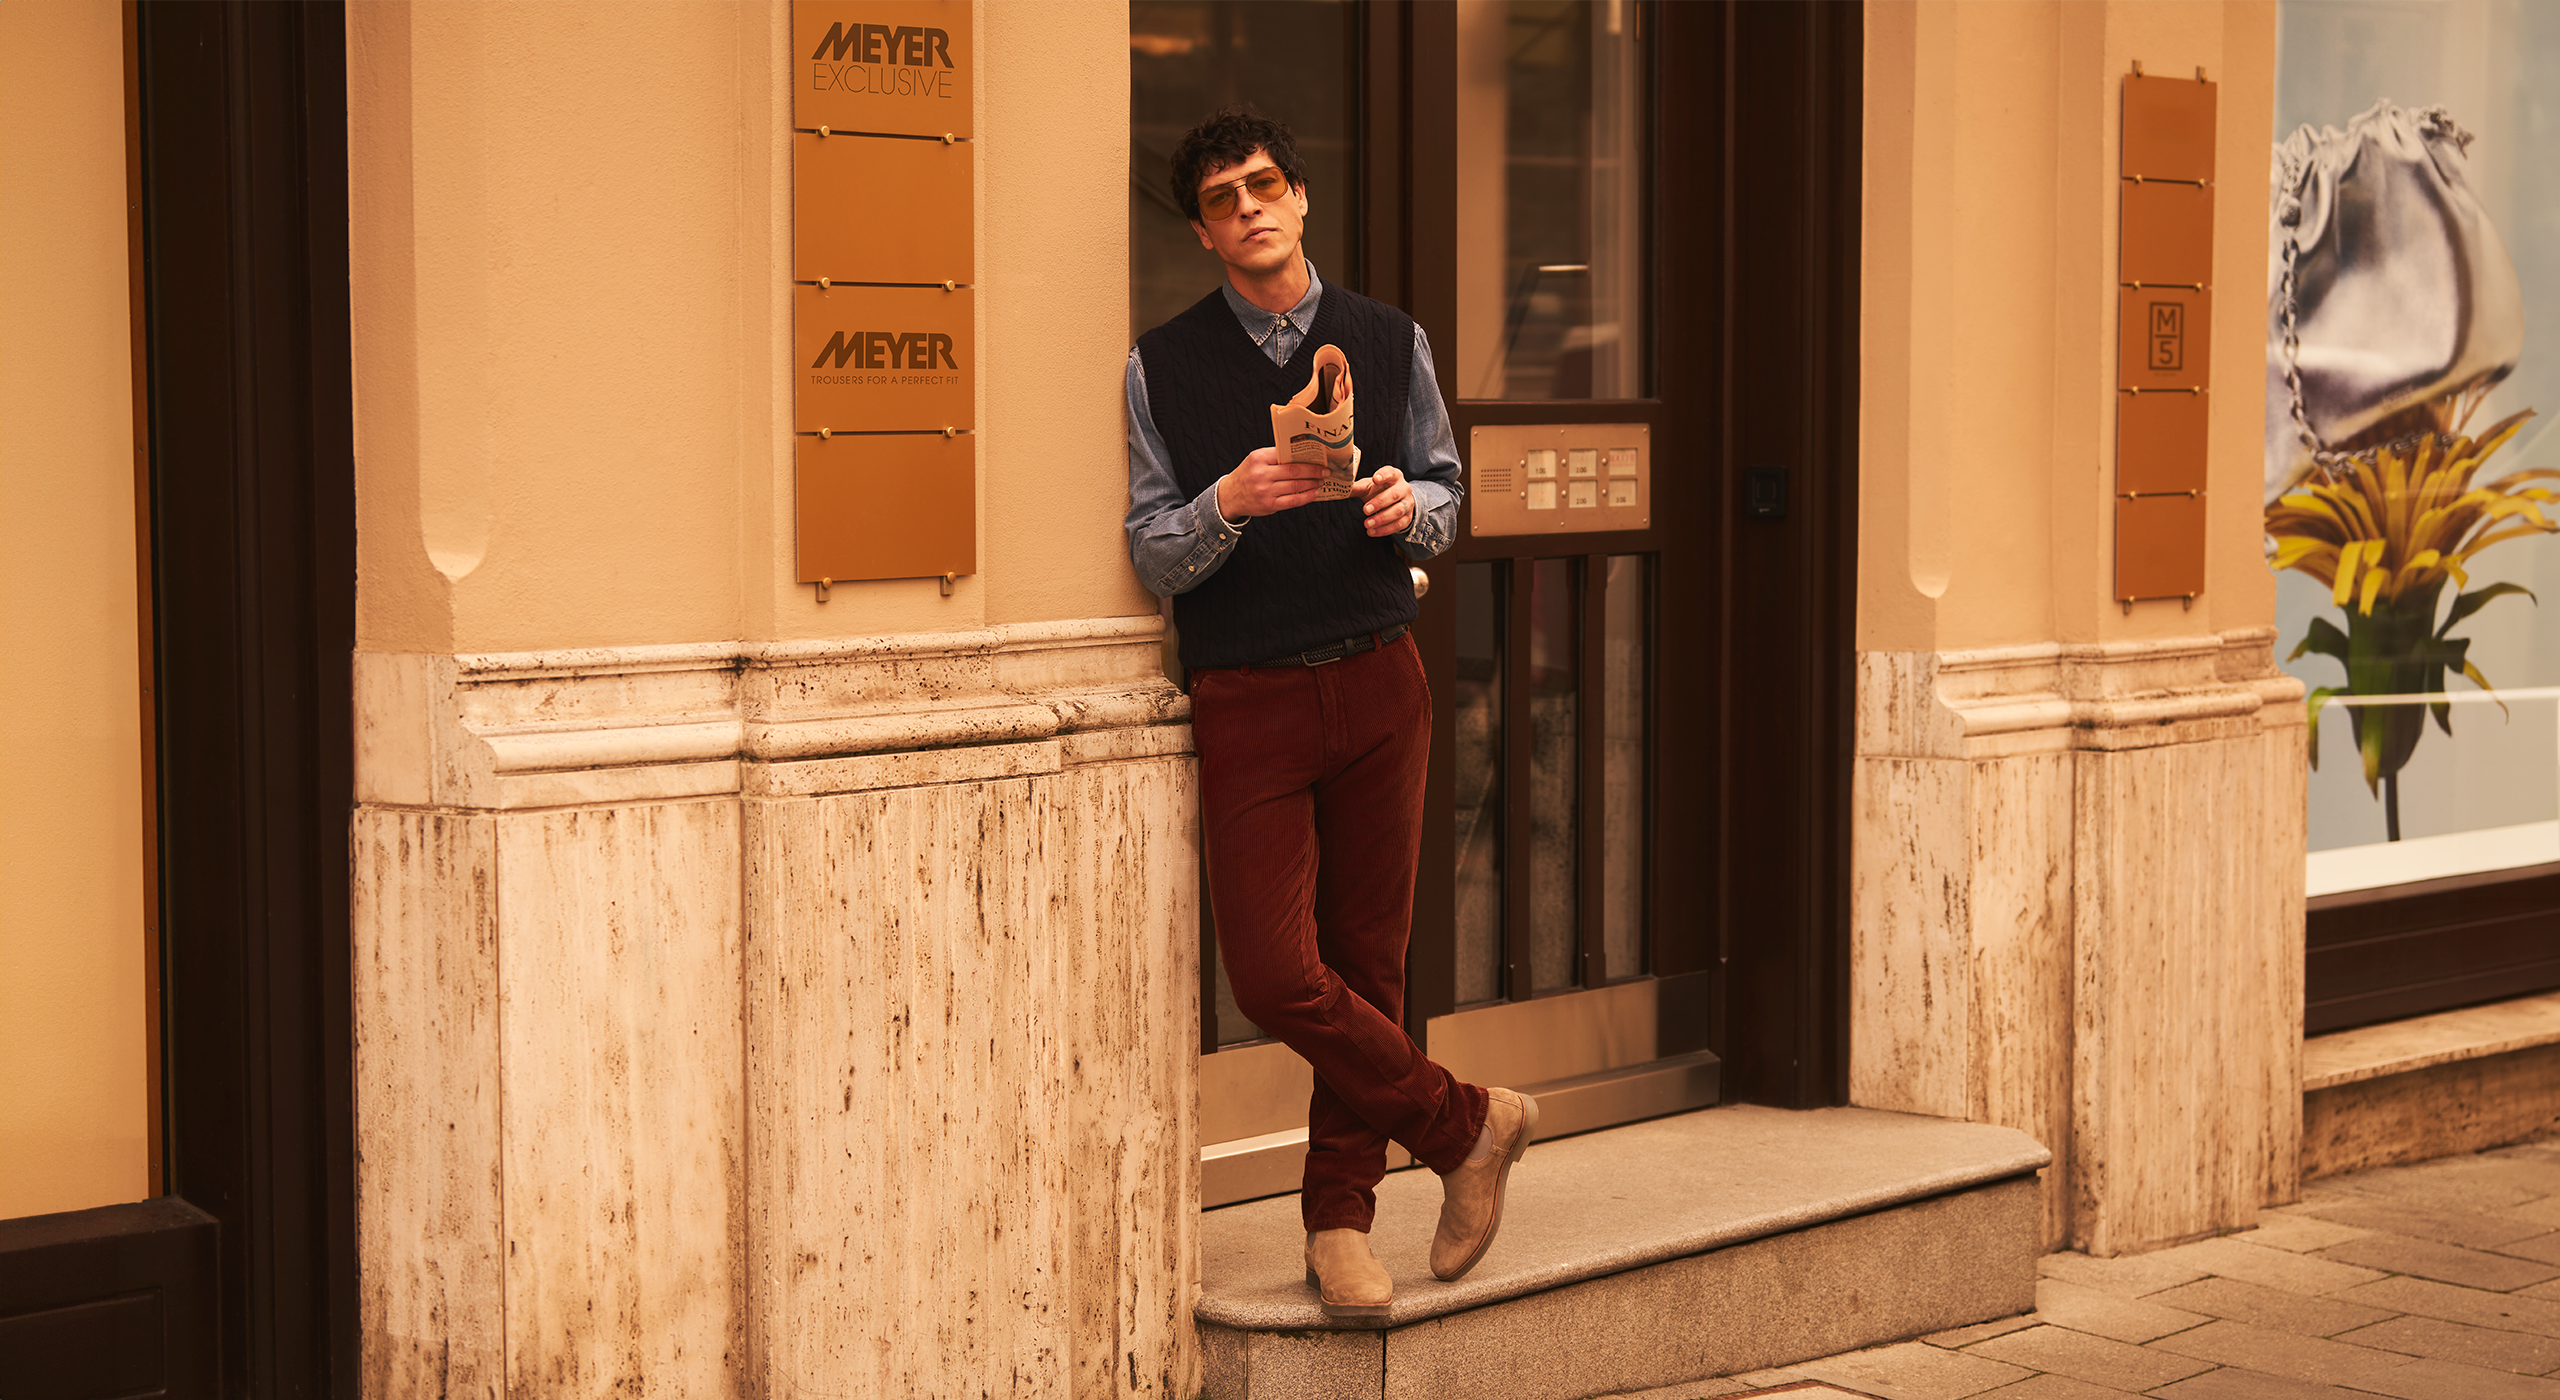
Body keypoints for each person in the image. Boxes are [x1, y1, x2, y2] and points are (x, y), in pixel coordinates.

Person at [1122, 107, 1537, 1325]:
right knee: (1272, 974)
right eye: (1221, 199)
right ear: (1203, 233)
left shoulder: (1386, 339)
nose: (1247, 208)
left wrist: (1411, 504)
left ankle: (1338, 1222)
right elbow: (1152, 555)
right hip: (1246, 692)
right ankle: (1467, 1123)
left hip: (1376, 678)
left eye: (1263, 186)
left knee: (1369, 963)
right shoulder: (1162, 364)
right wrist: (1229, 501)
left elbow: (1451, 502)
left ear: (1301, 199)